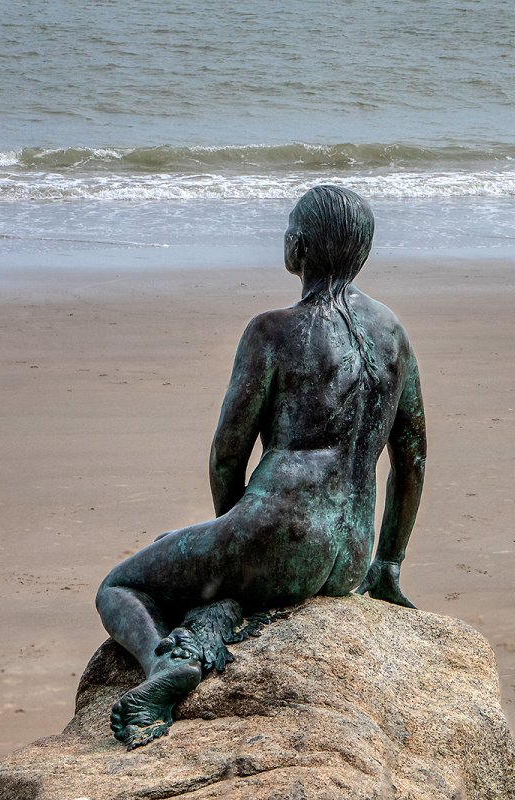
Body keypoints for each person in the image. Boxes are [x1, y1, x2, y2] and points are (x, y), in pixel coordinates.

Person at [95, 185, 427, 749]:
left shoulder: (272, 331)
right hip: (347, 556)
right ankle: (231, 594)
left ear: (297, 248)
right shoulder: (393, 333)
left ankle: (162, 666)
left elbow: (228, 452)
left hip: (276, 532)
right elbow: (412, 458)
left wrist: (233, 534)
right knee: (182, 545)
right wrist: (387, 561)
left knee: (119, 586)